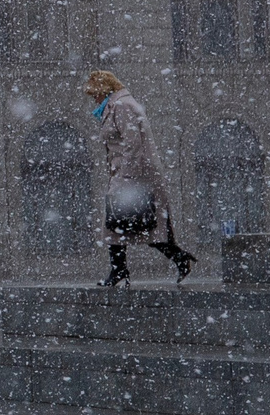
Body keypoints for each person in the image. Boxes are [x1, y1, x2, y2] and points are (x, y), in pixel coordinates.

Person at [83, 70, 196, 286]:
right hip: (129, 175)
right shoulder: (115, 105)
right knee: (138, 227)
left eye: (95, 95)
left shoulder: (122, 106)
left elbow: (132, 144)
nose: (94, 100)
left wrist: (125, 179)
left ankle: (121, 271)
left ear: (104, 90)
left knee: (128, 225)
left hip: (133, 177)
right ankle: (176, 259)